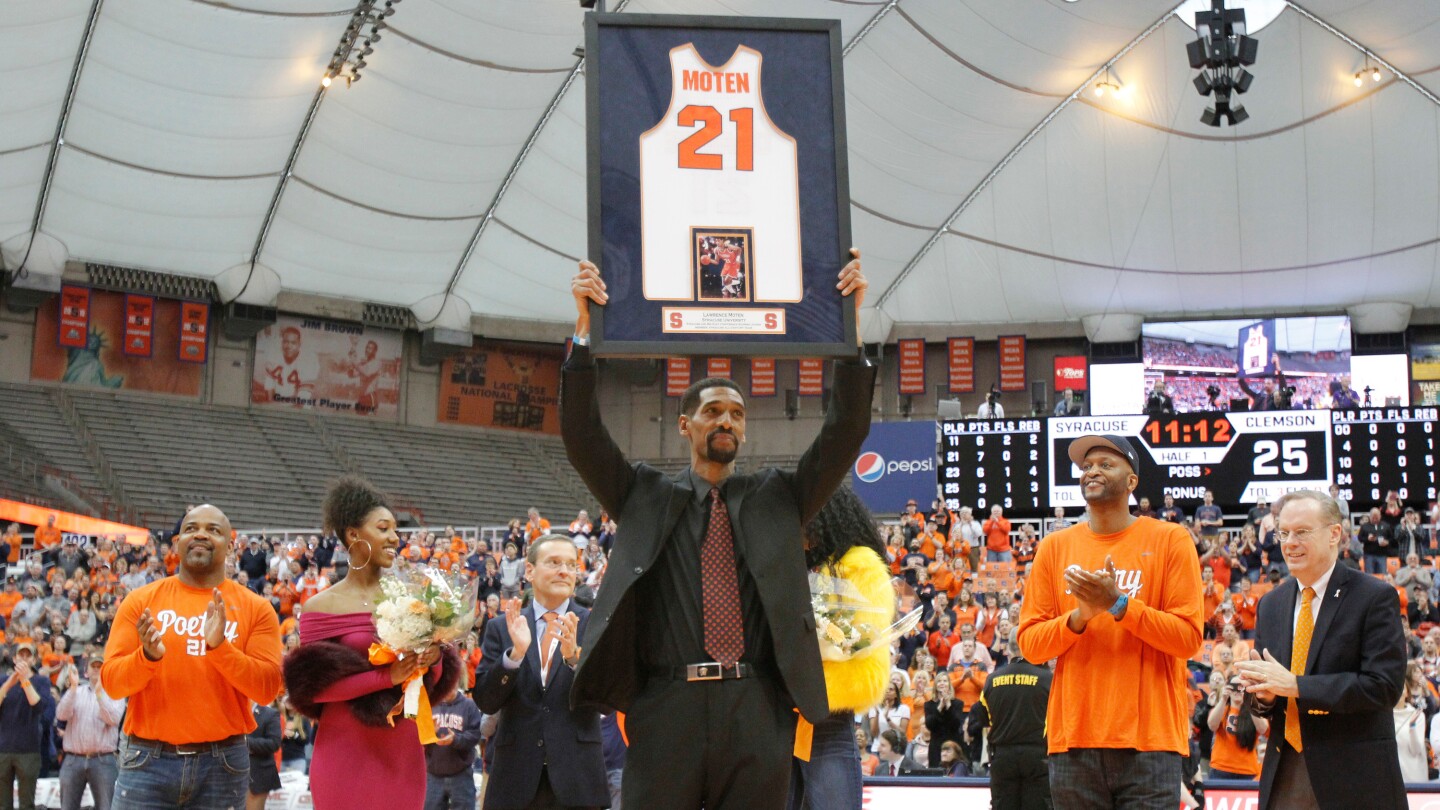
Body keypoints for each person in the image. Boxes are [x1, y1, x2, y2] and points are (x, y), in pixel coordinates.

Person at [562, 253, 873, 810]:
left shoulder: (779, 496)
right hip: (665, 702)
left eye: (736, 412)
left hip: (756, 703)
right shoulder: (642, 494)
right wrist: (584, 336)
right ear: (686, 424)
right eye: (712, 411)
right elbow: (582, 435)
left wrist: (851, 332)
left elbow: (846, 429)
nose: (726, 420)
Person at [1017, 434, 1203, 809]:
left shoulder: (1171, 539)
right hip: (1073, 739)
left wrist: (1120, 605)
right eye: (1086, 466)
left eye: (1105, 464)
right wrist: (1081, 615)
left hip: (1151, 740)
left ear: (1131, 481)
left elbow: (1188, 639)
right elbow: (1031, 645)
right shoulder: (1054, 547)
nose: (1092, 472)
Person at [283, 479, 459, 810]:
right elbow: (313, 690)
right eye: (384, 528)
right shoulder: (321, 606)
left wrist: (433, 658)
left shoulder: (414, 597)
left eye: (396, 529)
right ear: (352, 535)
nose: (395, 537)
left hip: (402, 748)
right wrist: (386, 677)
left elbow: (431, 681)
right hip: (343, 748)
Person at [1234, 489, 1407, 809]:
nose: (1289, 542)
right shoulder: (1270, 604)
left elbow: (1384, 687)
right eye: (1283, 533)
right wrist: (1264, 695)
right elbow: (1263, 699)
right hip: (1285, 774)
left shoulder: (1374, 597)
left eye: (1301, 532)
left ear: (1334, 534)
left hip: (1355, 778)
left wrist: (1296, 685)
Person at [103, 504, 283, 810]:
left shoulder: (257, 608)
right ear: (178, 542)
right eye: (191, 528)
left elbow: (267, 689)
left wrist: (221, 650)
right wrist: (145, 657)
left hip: (223, 764)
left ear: (230, 544)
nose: (200, 534)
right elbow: (113, 686)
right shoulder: (140, 602)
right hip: (146, 760)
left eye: (213, 530)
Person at [474, 533, 606, 810]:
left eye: (571, 564)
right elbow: (486, 700)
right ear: (530, 570)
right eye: (554, 562)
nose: (564, 571)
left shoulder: (596, 625)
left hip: (578, 777)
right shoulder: (502, 627)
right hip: (515, 778)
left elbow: (605, 701)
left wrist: (573, 661)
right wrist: (515, 655)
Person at [788, 486, 893, 810]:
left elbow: (862, 637)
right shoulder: (790, 565)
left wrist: (804, 628)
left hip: (828, 713)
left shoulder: (860, 565)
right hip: (782, 717)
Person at [974, 629, 1052, 810]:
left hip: (1002, 756)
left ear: (1008, 649)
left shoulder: (992, 680)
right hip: (1038, 757)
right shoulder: (1047, 679)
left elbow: (982, 718)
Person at [55, 657, 124, 810]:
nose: (96, 669)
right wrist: (72, 688)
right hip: (73, 759)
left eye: (100, 666)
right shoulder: (75, 692)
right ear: (86, 671)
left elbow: (113, 719)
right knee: (67, 807)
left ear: (106, 671)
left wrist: (99, 695)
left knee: (107, 806)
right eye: (93, 666)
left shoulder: (115, 694)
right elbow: (61, 714)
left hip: (103, 760)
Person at [0, 641, 53, 810]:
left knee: (27, 804)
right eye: (20, 655)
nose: (23, 658)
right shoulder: (2, 679)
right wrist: (10, 682)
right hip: (3, 749)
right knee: (2, 803)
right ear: (14, 658)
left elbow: (37, 706)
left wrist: (24, 679)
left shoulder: (42, 681)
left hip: (29, 750)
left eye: (28, 655)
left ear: (34, 660)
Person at [424, 681, 483, 810]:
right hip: (433, 775)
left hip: (461, 775)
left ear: (457, 683)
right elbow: (418, 739)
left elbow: (475, 735)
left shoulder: (469, 706)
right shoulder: (428, 705)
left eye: (451, 685)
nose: (448, 690)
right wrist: (429, 732)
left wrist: (455, 739)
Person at [1205, 675, 1266, 781]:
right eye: (1233, 686)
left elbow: (1263, 729)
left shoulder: (1254, 711)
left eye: (1242, 687)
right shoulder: (1222, 709)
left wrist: (1250, 700)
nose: (1238, 690)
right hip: (1221, 768)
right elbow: (1212, 725)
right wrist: (1223, 699)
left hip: (1248, 771)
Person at [246, 700, 282, 810]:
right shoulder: (234, 713)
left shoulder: (270, 713)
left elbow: (274, 743)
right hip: (232, 775)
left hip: (258, 776)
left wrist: (245, 742)